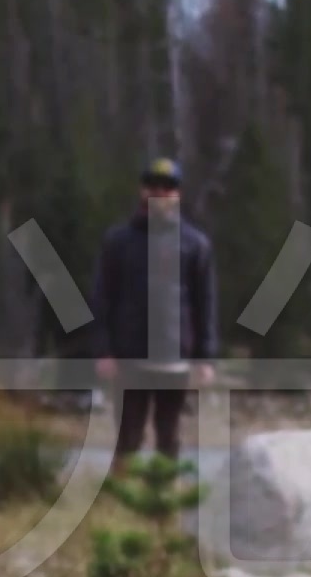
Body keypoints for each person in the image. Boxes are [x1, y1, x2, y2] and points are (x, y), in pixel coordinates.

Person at [90, 155, 217, 468]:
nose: (160, 192)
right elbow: (101, 298)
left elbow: (206, 303)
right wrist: (103, 351)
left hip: (175, 359)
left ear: (178, 194)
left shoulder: (196, 244)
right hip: (129, 357)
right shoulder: (118, 241)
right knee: (128, 436)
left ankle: (164, 509)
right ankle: (119, 508)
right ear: (141, 191)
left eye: (168, 187)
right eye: (153, 186)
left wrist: (206, 358)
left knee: (169, 436)